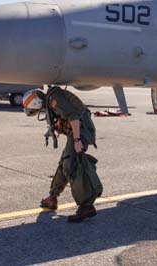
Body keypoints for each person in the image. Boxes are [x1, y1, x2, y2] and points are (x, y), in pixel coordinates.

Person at [23, 86, 103, 223]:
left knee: (70, 166)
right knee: (64, 163)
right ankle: (52, 198)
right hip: (77, 131)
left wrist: (77, 140)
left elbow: (73, 117)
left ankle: (86, 206)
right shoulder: (52, 98)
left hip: (81, 131)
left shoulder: (55, 99)